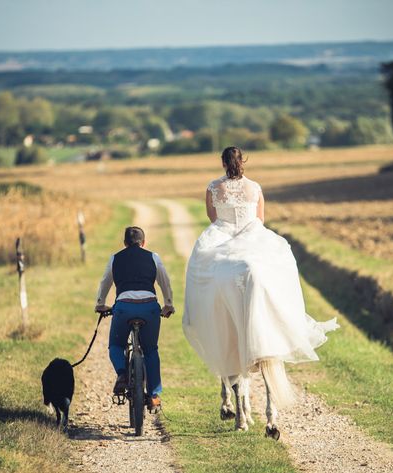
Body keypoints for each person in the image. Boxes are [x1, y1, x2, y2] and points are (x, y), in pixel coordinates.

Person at [182, 146, 337, 402]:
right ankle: (287, 312)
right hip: (251, 234)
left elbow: (213, 219)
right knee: (282, 259)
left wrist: (229, 231)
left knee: (200, 267)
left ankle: (201, 315)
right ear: (243, 161)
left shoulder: (212, 187)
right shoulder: (255, 188)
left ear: (223, 163)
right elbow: (260, 219)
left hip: (221, 234)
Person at [95, 226, 175, 413]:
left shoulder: (115, 258)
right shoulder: (153, 257)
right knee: (151, 350)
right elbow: (165, 281)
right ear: (143, 243)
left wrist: (100, 303)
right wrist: (168, 304)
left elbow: (105, 282)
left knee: (116, 345)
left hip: (123, 308)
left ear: (125, 244)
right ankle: (154, 396)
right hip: (149, 308)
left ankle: (122, 374)